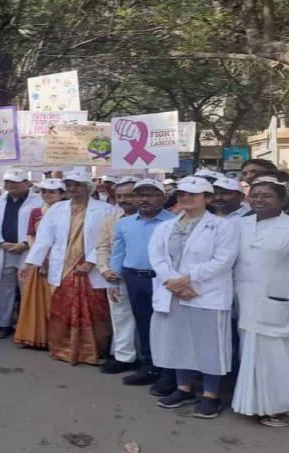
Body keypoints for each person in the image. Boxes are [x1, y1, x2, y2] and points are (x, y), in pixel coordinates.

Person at [148, 176, 239, 419]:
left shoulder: (223, 226)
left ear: (207, 198)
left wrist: (187, 279)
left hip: (206, 294)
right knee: (178, 342)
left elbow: (223, 261)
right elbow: (157, 258)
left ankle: (211, 395)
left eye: (193, 194)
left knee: (209, 345)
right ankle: (183, 388)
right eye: (182, 194)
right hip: (173, 292)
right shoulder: (165, 226)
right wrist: (175, 283)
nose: (186, 198)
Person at [231, 177, 289, 427]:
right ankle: (255, 405)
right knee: (253, 356)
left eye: (266, 195)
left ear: (283, 200)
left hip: (285, 304)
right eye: (255, 194)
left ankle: (288, 407)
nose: (258, 199)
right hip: (247, 303)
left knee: (285, 360)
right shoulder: (241, 225)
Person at [22, 168, 116, 364]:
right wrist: (31, 263)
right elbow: (44, 239)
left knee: (95, 309)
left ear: (89, 188)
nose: (73, 188)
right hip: (62, 267)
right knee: (61, 307)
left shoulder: (106, 209)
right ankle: (63, 348)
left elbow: (107, 239)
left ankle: (93, 351)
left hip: (90, 268)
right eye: (70, 185)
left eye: (78, 185)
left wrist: (90, 261)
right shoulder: (57, 209)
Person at [112, 179, 177, 393]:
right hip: (134, 279)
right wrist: (112, 279)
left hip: (163, 280)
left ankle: (169, 372)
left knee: (166, 326)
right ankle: (149, 366)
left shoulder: (175, 222)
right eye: (140, 195)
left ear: (164, 198)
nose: (144, 199)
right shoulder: (124, 223)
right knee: (143, 323)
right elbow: (118, 253)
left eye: (151, 194)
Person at [0, 168, 43, 339]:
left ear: (26, 183)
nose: (10, 185)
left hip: (27, 251)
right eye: (8, 182)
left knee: (27, 290)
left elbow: (43, 227)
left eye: (15, 182)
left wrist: (25, 243)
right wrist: (1, 243)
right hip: (3, 251)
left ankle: (26, 327)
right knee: (4, 291)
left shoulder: (38, 201)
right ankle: (4, 324)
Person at [14, 178, 63, 348]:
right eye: (43, 191)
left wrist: (52, 256)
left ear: (61, 194)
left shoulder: (68, 211)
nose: (47, 195)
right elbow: (30, 235)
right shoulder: (36, 211)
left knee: (58, 299)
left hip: (61, 259)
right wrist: (39, 257)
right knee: (37, 300)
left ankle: (58, 338)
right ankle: (38, 336)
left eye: (52, 191)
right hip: (38, 260)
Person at [95, 177, 138, 374]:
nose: (123, 199)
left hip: (147, 276)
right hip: (117, 275)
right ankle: (124, 357)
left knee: (150, 319)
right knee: (120, 316)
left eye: (128, 195)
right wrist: (104, 269)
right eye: (119, 196)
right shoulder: (111, 220)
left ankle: (150, 360)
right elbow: (102, 246)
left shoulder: (160, 219)